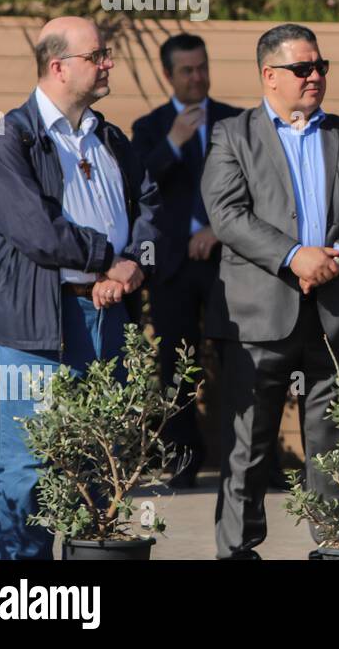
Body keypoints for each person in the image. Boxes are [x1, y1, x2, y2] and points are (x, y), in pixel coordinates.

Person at [0, 17, 160, 559]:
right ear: (58, 67)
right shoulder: (10, 139)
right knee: (31, 469)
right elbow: (37, 232)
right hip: (39, 326)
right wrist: (108, 259)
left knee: (101, 461)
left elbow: (150, 206)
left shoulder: (111, 137)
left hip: (108, 318)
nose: (108, 64)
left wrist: (132, 266)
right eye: (97, 55)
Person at [202, 23, 339, 559]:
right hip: (258, 313)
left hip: (334, 311)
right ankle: (238, 551)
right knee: (248, 443)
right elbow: (227, 215)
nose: (315, 77)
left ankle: (334, 545)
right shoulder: (231, 135)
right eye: (302, 69)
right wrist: (295, 256)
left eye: (320, 67)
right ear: (270, 75)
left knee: (332, 441)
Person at [131, 33, 242, 487]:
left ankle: (251, 459)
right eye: (187, 70)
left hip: (228, 262)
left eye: (202, 67)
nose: (197, 77)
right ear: (168, 75)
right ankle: (181, 458)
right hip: (172, 267)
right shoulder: (150, 127)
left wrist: (218, 230)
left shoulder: (236, 121)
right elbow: (138, 185)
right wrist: (174, 143)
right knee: (177, 364)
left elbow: (253, 188)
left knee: (242, 360)